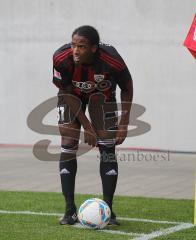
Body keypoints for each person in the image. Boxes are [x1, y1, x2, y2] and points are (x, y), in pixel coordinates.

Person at [52, 25, 133, 226]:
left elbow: (127, 86)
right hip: (71, 96)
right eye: (73, 45)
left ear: (94, 48)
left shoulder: (112, 59)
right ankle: (69, 209)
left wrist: (124, 123)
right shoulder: (61, 59)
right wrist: (87, 127)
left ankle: (108, 209)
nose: (76, 51)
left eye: (82, 46)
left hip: (102, 98)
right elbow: (68, 93)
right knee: (68, 142)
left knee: (107, 146)